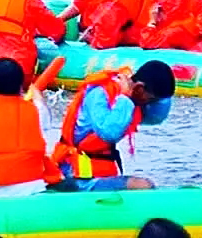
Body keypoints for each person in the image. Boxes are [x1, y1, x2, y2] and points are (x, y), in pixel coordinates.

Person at [49, 61, 175, 191]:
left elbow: (157, 117)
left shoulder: (134, 99)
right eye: (151, 100)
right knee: (143, 186)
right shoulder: (100, 94)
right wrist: (125, 97)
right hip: (73, 177)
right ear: (139, 89)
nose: (151, 104)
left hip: (95, 173)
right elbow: (109, 133)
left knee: (143, 184)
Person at [0, 57, 56, 196]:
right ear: (20, 85)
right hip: (32, 189)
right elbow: (45, 134)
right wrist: (38, 96)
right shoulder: (37, 109)